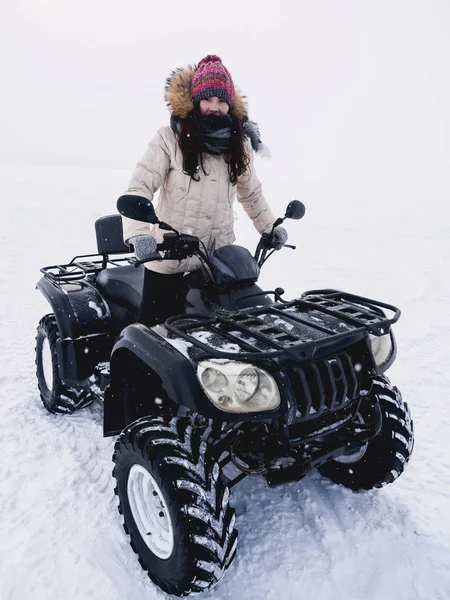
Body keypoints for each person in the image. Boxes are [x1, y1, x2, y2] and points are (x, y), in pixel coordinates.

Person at [121, 54, 288, 327]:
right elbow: (139, 187)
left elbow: (251, 192)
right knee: (153, 339)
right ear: (195, 101)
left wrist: (269, 227)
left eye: (222, 100)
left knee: (232, 336)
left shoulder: (239, 145)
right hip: (168, 260)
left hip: (216, 264)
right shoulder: (169, 139)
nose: (214, 107)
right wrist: (139, 235)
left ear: (230, 105)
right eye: (208, 99)